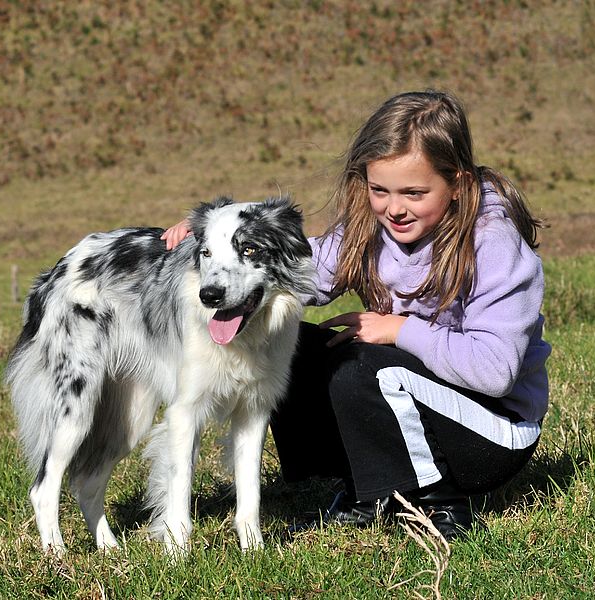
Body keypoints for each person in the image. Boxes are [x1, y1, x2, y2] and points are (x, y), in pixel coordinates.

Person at [161, 90, 551, 541]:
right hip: (423, 394)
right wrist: (220, 232)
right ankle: (365, 490)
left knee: (364, 366)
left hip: (492, 434)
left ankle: (437, 506)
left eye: (414, 192)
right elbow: (301, 274)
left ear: (458, 185)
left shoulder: (494, 243)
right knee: (299, 349)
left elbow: (496, 371)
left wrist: (400, 329)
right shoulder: (371, 228)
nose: (394, 207)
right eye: (378, 190)